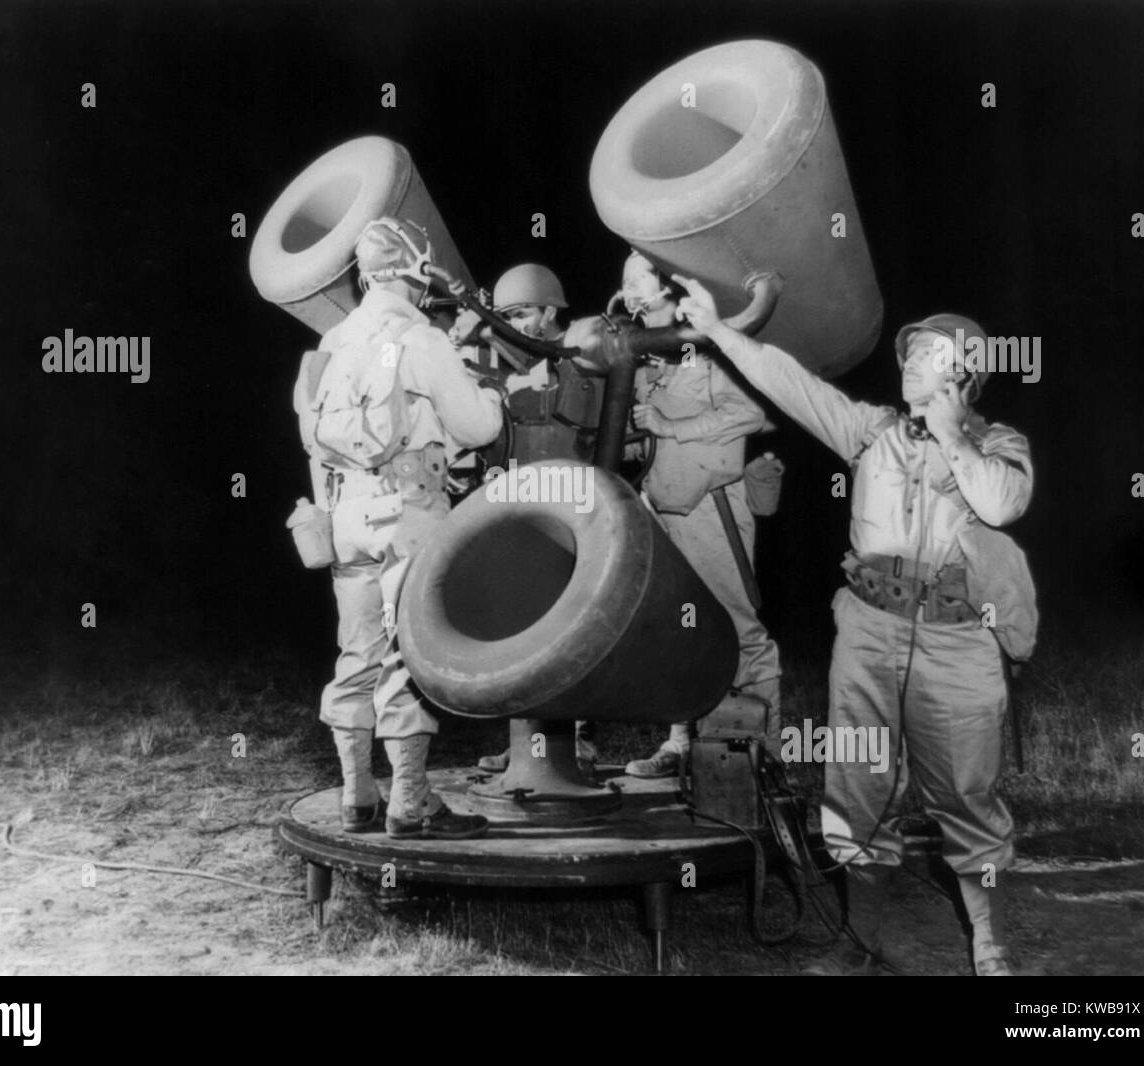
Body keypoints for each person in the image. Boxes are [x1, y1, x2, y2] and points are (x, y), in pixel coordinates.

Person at [672, 273, 1036, 976]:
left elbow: (1001, 506)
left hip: (958, 640)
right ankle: (861, 940)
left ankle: (990, 943)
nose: (907, 363)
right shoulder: (871, 432)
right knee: (858, 782)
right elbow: (792, 384)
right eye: (907, 353)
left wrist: (955, 436)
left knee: (965, 792)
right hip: (870, 631)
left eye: (925, 354)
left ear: (964, 374)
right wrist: (719, 331)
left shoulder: (1000, 444)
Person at [293, 216, 504, 840]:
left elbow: (311, 436)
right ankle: (410, 804)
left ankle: (357, 797)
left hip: (346, 517)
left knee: (356, 653)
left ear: (364, 277)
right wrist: (488, 393)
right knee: (407, 655)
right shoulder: (422, 339)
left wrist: (331, 514)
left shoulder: (329, 341)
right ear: (418, 271)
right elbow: (479, 430)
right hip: (404, 516)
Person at [615, 251, 783, 778]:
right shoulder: (644, 361)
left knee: (739, 629)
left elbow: (751, 414)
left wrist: (670, 428)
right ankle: (681, 743)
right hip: (661, 510)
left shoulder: (706, 348)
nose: (626, 289)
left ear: (666, 285)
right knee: (679, 630)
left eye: (635, 277)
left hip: (711, 509)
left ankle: (766, 758)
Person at [465, 263, 602, 773]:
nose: (515, 324)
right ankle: (528, 747)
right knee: (523, 626)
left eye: (523, 313)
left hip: (576, 510)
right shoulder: (505, 364)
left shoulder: (584, 351)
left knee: (575, 625)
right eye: (507, 316)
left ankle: (578, 738)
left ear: (550, 310)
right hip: (520, 509)